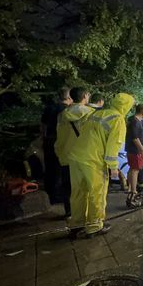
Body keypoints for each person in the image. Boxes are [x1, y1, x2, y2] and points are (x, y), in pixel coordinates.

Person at [68, 93, 135, 238]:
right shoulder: (117, 120)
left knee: (78, 192)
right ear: (127, 107)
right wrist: (113, 167)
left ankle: (76, 225)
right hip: (93, 160)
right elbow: (114, 146)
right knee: (97, 193)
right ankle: (94, 226)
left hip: (76, 156)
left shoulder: (99, 112)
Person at [55, 87, 93, 217]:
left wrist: (59, 152)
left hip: (65, 155)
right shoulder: (90, 113)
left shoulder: (62, 115)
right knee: (84, 188)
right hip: (83, 156)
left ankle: (69, 212)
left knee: (67, 187)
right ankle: (84, 216)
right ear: (85, 97)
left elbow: (59, 136)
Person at [40, 87, 72, 204]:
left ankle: (50, 195)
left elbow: (42, 126)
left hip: (48, 141)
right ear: (69, 97)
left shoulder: (49, 108)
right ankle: (60, 196)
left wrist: (44, 138)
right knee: (61, 170)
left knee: (49, 169)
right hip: (61, 142)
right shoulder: (67, 111)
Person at [125, 104, 143, 208]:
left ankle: (131, 189)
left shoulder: (136, 121)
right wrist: (142, 150)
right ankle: (133, 191)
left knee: (132, 169)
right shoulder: (135, 122)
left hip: (132, 150)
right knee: (135, 170)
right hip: (135, 151)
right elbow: (135, 138)